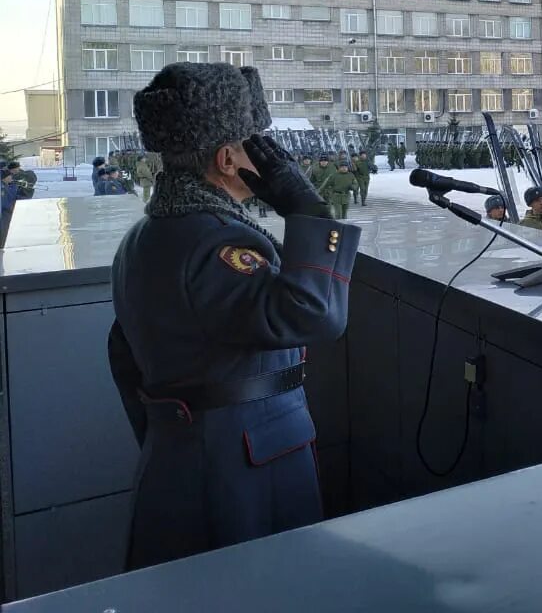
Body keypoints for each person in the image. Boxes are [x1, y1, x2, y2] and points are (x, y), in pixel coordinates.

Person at [107, 62, 359, 571]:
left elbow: (123, 357)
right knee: (262, 588)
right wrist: (308, 211)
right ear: (227, 159)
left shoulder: (148, 235)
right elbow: (314, 316)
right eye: (255, 144)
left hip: (185, 450)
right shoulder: (216, 239)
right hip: (242, 462)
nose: (268, 158)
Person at [0, 166, 19, 248]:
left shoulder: (7, 186)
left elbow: (13, 197)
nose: (11, 177)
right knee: (4, 232)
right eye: (9, 176)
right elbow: (4, 202)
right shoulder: (2, 188)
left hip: (9, 213)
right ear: (4, 178)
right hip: (5, 215)